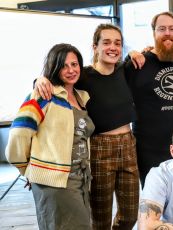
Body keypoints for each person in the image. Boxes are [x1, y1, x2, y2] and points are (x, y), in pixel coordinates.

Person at [34, 24, 144, 230]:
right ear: (95, 46)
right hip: (99, 147)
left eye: (117, 43)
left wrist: (135, 52)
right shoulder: (82, 75)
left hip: (129, 146)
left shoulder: (125, 70)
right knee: (100, 218)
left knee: (130, 215)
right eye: (106, 42)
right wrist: (39, 79)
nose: (113, 47)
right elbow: (54, 80)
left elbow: (141, 56)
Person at [6, 43, 95, 230]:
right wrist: (29, 170)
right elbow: (18, 135)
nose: (71, 70)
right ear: (54, 67)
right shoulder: (43, 95)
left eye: (74, 64)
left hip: (80, 178)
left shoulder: (81, 97)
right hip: (54, 183)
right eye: (64, 65)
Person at [125, 12, 173, 186]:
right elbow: (107, 77)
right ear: (154, 33)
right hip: (148, 150)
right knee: (154, 204)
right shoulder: (137, 64)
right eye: (162, 29)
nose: (167, 33)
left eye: (172, 29)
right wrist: (130, 54)